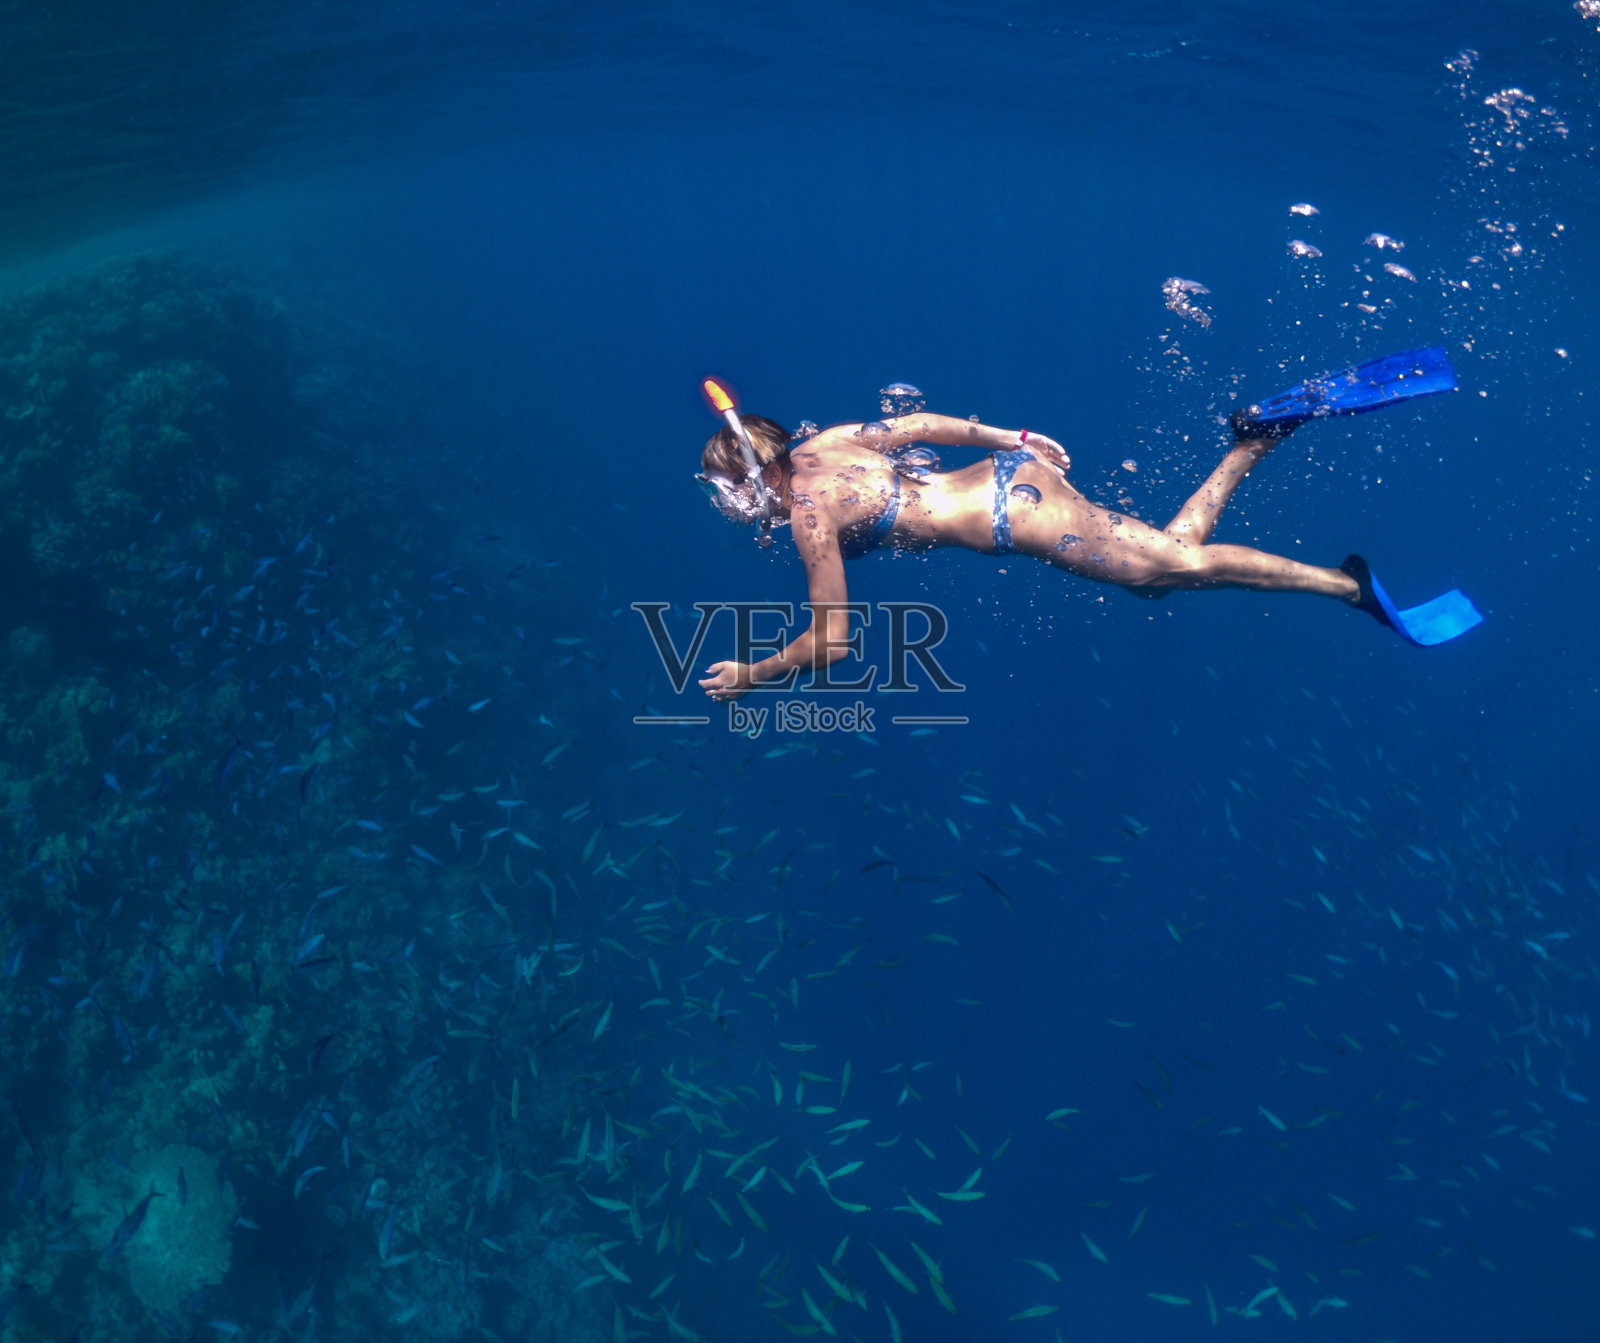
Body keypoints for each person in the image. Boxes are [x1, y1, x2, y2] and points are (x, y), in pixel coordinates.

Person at [694, 350, 1480, 702]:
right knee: (1160, 574)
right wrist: (1015, 439)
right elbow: (919, 420)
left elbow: (833, 642)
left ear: (748, 475)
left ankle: (1348, 588)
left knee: (1175, 567)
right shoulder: (824, 441)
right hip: (1011, 483)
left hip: (1024, 518)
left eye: (728, 493)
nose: (731, 508)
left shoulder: (805, 514)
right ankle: (1254, 438)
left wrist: (753, 673)